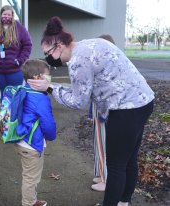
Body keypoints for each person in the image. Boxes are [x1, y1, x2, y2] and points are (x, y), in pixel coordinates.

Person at [28, 16, 154, 206]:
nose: (48, 58)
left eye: (47, 52)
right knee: (128, 159)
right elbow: (82, 89)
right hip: (143, 100)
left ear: (59, 45)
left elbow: (78, 101)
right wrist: (51, 85)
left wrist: (49, 88)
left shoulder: (79, 62)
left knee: (116, 165)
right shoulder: (89, 44)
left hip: (125, 109)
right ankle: (123, 202)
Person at [15, 59, 56, 206]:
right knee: (31, 177)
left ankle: (31, 200)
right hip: (32, 144)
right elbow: (48, 123)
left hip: (21, 139)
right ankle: (29, 203)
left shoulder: (23, 89)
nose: (49, 78)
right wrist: (51, 137)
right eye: (47, 75)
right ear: (38, 78)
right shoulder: (40, 98)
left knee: (28, 174)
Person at [0, 5, 32, 99]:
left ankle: (15, 113)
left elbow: (27, 45)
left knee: (15, 94)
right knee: (3, 94)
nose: (7, 17)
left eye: (9, 14)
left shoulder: (20, 29)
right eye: (4, 14)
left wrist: (20, 60)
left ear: (12, 16)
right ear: (0, 15)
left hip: (15, 70)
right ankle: (5, 113)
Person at [90, 34, 116, 192]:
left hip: (106, 111)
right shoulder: (101, 64)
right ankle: (101, 173)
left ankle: (107, 179)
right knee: (98, 144)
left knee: (105, 145)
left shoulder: (111, 66)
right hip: (98, 109)